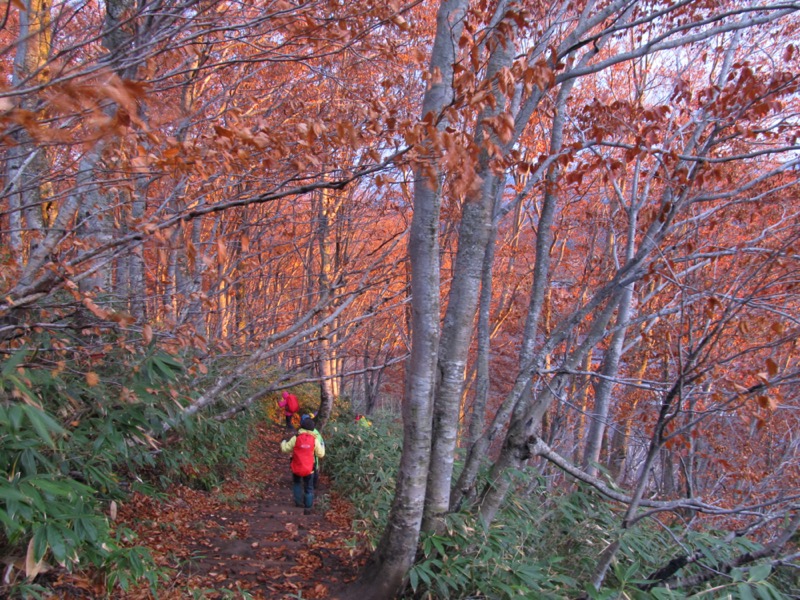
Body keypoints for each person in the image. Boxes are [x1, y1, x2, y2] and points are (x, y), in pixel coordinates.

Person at [280, 416, 325, 514]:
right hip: (309, 469)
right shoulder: (314, 440)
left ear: (301, 427)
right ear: (312, 429)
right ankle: (308, 505)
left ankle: (298, 502)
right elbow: (321, 454)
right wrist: (322, 446)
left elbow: (285, 449)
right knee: (309, 487)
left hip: (296, 467)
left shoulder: (296, 438)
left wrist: (283, 443)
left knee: (297, 484)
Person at [301, 413, 325, 489]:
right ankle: (312, 487)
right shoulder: (316, 433)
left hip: (301, 461)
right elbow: (321, 447)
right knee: (314, 474)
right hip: (313, 461)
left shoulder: (299, 434)